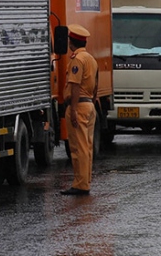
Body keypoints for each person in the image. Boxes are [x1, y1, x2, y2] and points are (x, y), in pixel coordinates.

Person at [61, 23, 98, 196]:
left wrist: (73, 109)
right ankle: (85, 181)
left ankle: (81, 185)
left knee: (78, 147)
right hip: (89, 104)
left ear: (71, 42)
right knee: (87, 146)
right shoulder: (91, 59)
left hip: (79, 106)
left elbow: (75, 86)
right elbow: (96, 85)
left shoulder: (77, 59)